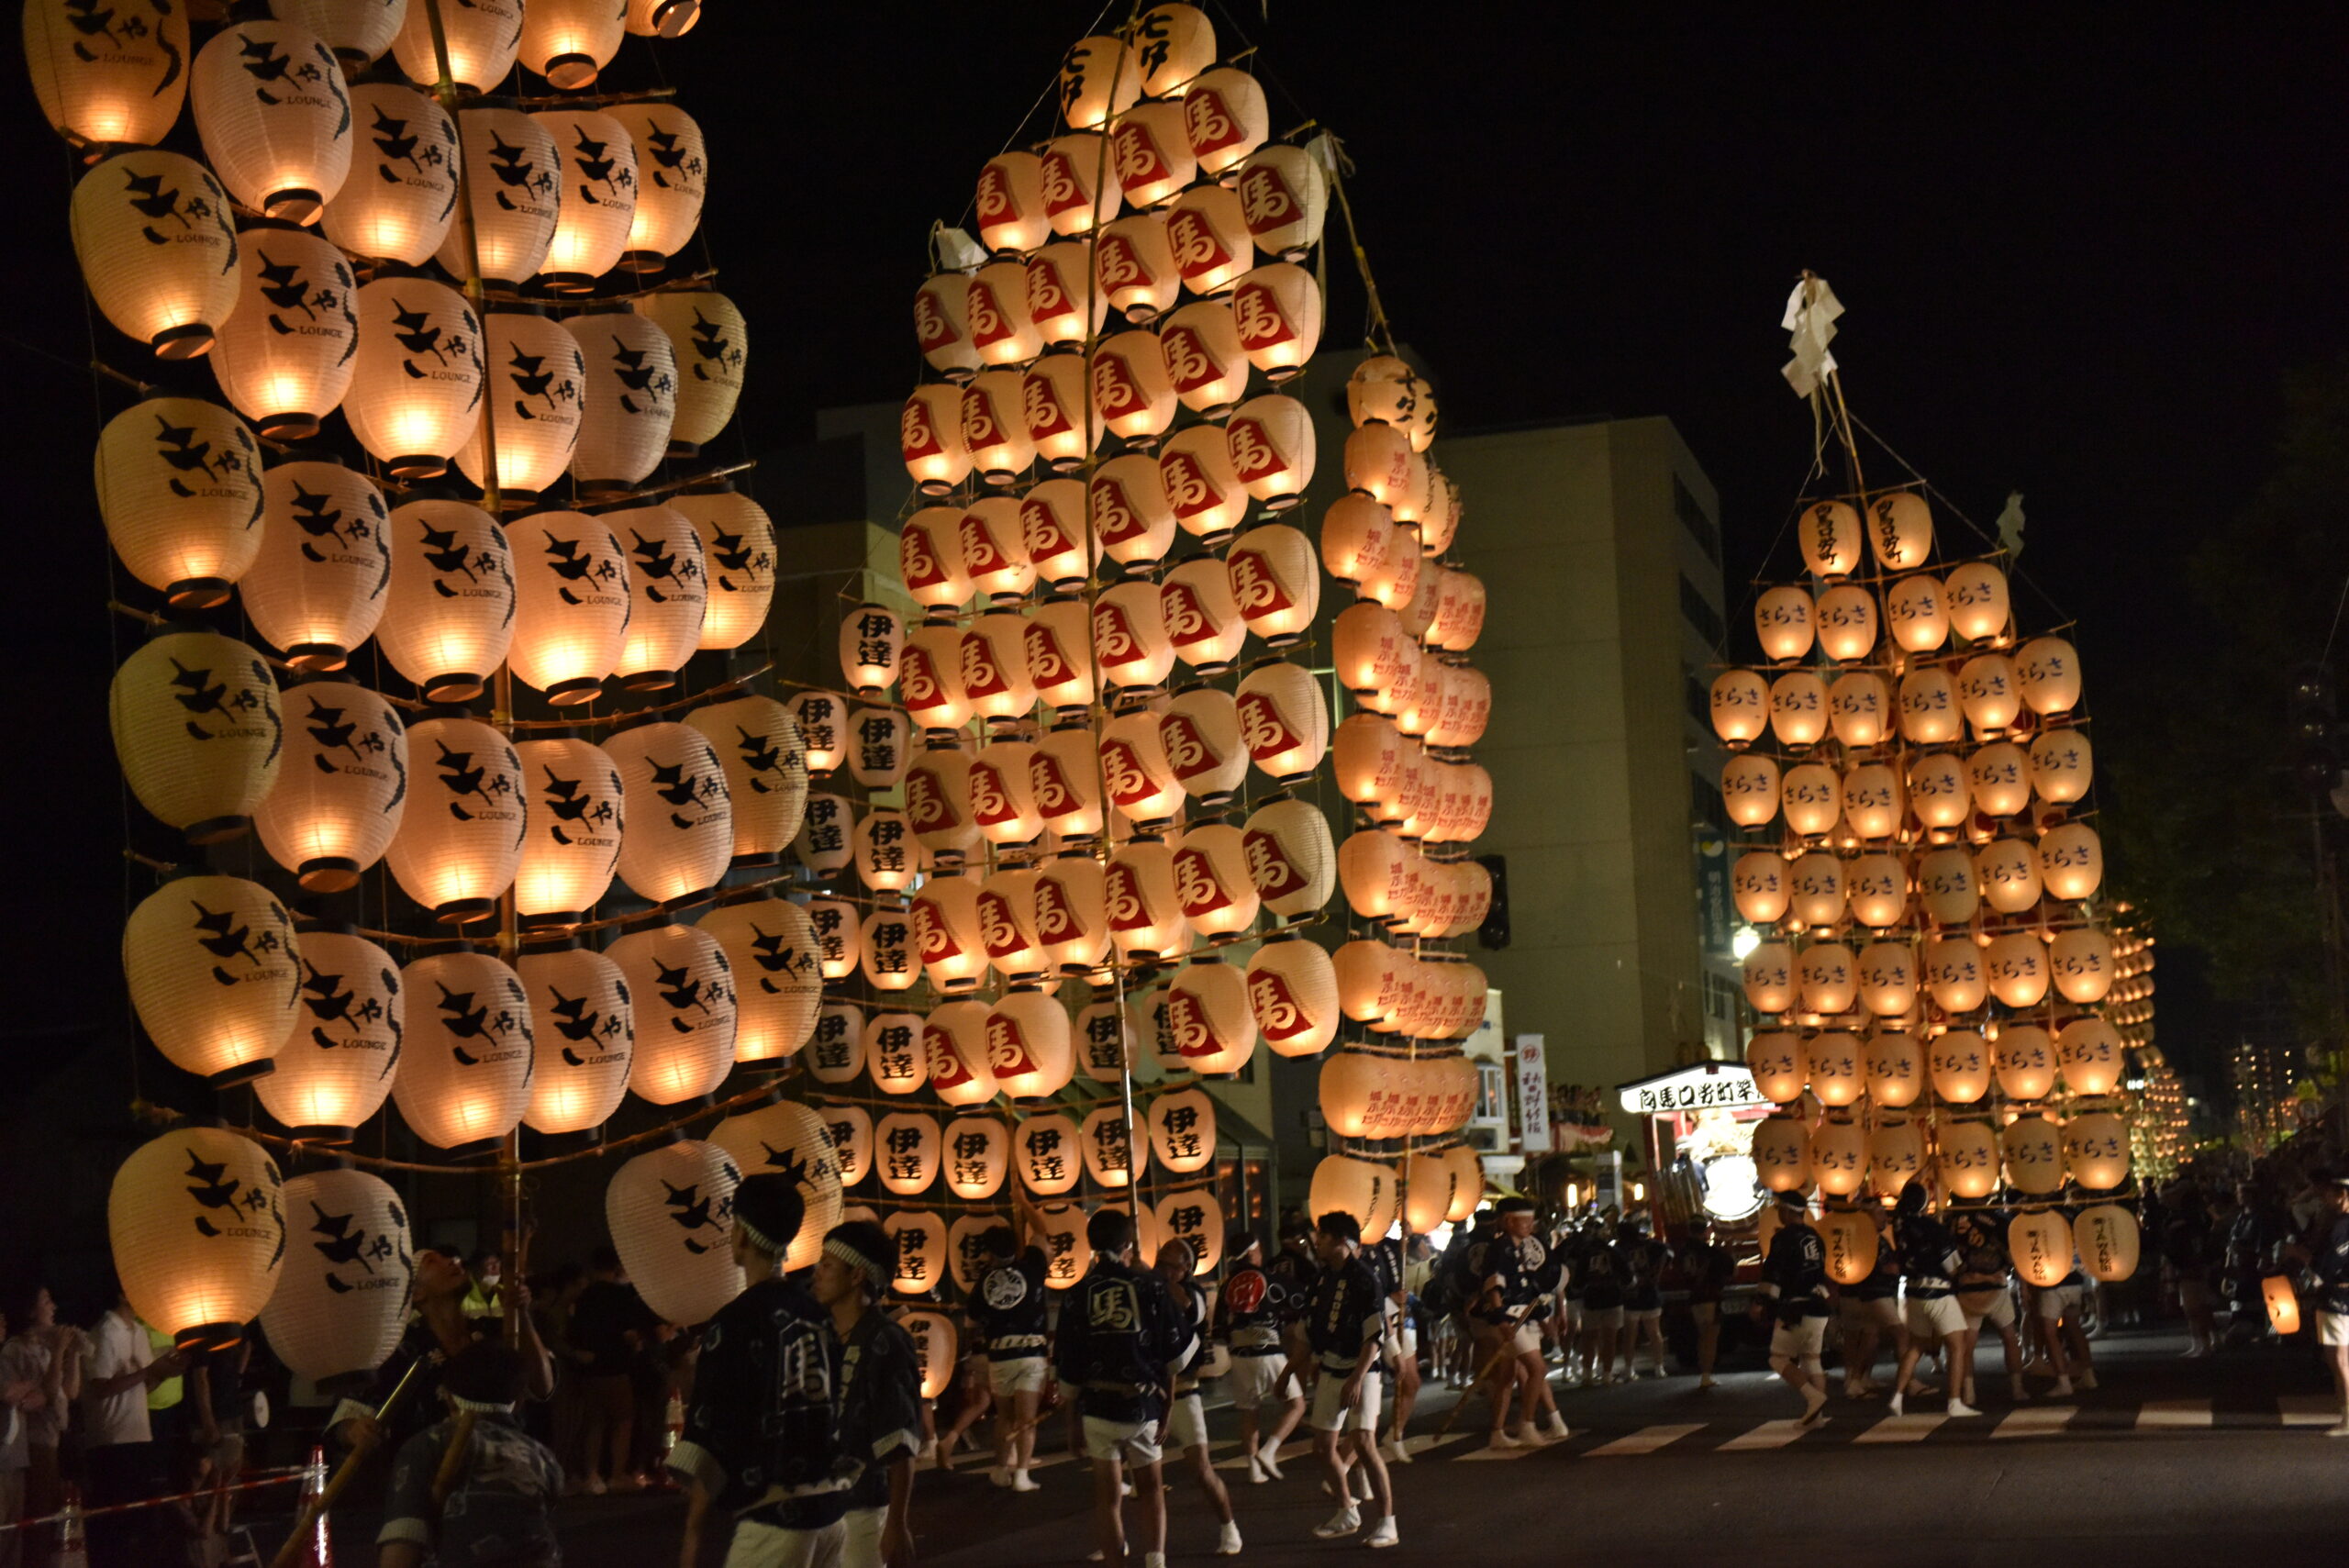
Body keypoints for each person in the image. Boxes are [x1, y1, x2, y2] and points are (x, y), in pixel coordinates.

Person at [669, 1173, 852, 1568]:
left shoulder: (736, 1321)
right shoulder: (818, 1315)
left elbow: (713, 1432)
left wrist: (694, 1534)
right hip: (833, 1508)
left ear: (740, 1234)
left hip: (777, 1514)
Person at [1053, 1208, 1187, 1568]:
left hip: (1097, 1407)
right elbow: (1172, 1355)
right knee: (1151, 1490)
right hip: (1142, 1404)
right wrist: (1168, 1408)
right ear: (1128, 1244)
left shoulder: (1078, 1294)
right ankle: (1155, 1561)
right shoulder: (1149, 1288)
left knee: (1107, 1499)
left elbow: (1069, 1364)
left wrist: (1071, 1422)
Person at [334, 1251, 556, 1461]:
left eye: (450, 1258)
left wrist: (521, 1314)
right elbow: (346, 1419)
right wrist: (356, 1430)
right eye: (432, 1261)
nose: (454, 1260)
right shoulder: (400, 1349)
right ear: (416, 1293)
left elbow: (542, 1388)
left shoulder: (491, 1333)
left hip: (499, 1467)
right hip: (425, 1471)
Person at [376, 1340, 564, 1568]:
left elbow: (403, 1542)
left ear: (447, 1396)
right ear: (519, 1401)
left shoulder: (428, 1444)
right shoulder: (543, 1457)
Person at [813, 1221, 921, 1568]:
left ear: (857, 1274)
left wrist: (896, 1523)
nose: (817, 1272)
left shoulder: (885, 1340)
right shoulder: (820, 1335)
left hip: (861, 1507)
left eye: (827, 1264)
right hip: (813, 1505)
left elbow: (900, 1440)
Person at [1303, 1211, 1397, 1550]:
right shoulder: (1323, 1276)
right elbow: (1312, 1326)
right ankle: (1347, 1510)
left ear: (1341, 1241)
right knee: (1322, 1446)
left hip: (1362, 1369)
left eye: (1323, 1237)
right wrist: (1305, 1364)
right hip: (1331, 1365)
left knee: (1364, 1443)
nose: (1317, 1242)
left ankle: (1387, 1522)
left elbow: (1374, 1334)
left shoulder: (1364, 1278)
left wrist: (1357, 1378)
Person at [81, 1276, 185, 1562]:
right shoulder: (105, 1331)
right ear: (122, 1295)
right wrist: (148, 1371)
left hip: (139, 1432)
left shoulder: (139, 1331)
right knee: (115, 1521)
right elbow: (101, 1387)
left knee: (139, 1518)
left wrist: (164, 1372)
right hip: (112, 1438)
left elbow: (143, 1385)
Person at [1153, 1240, 1241, 1556]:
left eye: (1170, 1265)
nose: (1162, 1270)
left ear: (1186, 1268)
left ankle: (1229, 1527)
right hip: (1151, 1394)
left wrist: (1160, 1280)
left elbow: (1192, 1311)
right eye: (1159, 1263)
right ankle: (1127, 1543)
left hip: (1184, 1392)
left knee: (1201, 1469)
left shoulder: (1193, 1293)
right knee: (1141, 1479)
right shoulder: (1152, 1289)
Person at [1211, 1229, 1303, 1484]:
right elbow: (1299, 1300)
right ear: (1252, 1252)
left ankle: (1253, 1468)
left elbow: (1218, 1331)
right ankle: (1269, 1450)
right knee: (1296, 1405)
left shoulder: (1226, 1284)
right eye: (1259, 1250)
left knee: (1249, 1412)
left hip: (1239, 1355)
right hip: (1268, 1348)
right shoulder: (1269, 1279)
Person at [963, 1224, 1050, 1492]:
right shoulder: (1033, 1265)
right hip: (1032, 1353)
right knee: (1026, 1420)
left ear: (989, 1252)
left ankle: (1000, 1469)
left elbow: (970, 1324)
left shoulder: (983, 1282)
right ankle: (1022, 1474)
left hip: (1000, 1354)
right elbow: (1042, 1229)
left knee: (1004, 1417)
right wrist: (1023, 1203)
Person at [565, 1248, 654, 1495]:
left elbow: (575, 1330)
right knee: (623, 1419)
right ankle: (616, 1474)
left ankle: (591, 1474)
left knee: (595, 1422)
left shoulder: (585, 1296)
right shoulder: (620, 1295)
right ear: (616, 1267)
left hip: (589, 1367)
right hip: (615, 1365)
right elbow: (629, 1333)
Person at [1480, 1197, 1568, 1448]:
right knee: (1538, 1369)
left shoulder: (1519, 1247)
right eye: (1525, 1220)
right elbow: (1493, 1285)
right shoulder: (1500, 1248)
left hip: (1523, 1316)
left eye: (1531, 1220)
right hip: (1510, 1318)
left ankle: (1497, 1433)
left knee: (1508, 1376)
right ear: (1509, 1221)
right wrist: (1501, 1320)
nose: (1530, 1225)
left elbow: (1529, 1288)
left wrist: (1542, 1317)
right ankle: (1527, 1424)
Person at [1887, 1181, 1977, 1418]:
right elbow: (1952, 1267)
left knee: (1916, 1346)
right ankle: (1954, 1402)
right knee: (1957, 1345)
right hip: (1938, 1292)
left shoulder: (1899, 1225)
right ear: (1924, 1203)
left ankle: (1898, 1396)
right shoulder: (1933, 1228)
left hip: (1913, 1291)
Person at [1752, 1192, 1831, 1428]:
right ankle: (1817, 1417)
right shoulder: (1815, 1237)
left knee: (1778, 1358)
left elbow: (1773, 1275)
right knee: (1812, 1359)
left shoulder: (1783, 1238)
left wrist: (1761, 1302)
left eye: (1779, 1209)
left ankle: (1813, 1397)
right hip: (1819, 1305)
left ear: (1786, 1211)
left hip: (1796, 1307)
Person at [2285, 1171, 2349, 1435]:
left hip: (2337, 1296)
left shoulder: (2341, 1227)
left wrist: (2299, 1254)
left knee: (2339, 1359)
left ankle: (2348, 1418)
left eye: (2329, 1195)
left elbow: (2325, 1268)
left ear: (2341, 1196)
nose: (2325, 1200)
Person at [1951, 1208, 2025, 1407]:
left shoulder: (1953, 1219)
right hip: (1996, 1286)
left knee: (1967, 1345)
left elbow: (1951, 1261)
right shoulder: (1999, 1220)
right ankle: (2017, 1388)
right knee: (2010, 1338)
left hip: (1967, 1288)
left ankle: (1969, 1392)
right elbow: (2011, 1257)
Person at [1837, 1210, 1903, 1398]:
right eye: (1880, 1214)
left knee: (1864, 1335)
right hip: (1868, 1293)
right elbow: (1877, 1266)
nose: (1885, 1218)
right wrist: (1888, 1269)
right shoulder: (1867, 1239)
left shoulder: (1864, 1238)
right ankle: (1856, 1378)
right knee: (1870, 1335)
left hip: (1859, 1292)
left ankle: (1857, 1377)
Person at [2030, 1235, 2099, 1398]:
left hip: (2053, 1284)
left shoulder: (2045, 1228)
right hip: (2075, 1281)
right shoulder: (2071, 1226)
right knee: (2075, 1329)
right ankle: (2089, 1376)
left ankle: (2064, 1382)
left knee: (2050, 1333)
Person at [2160, 1187, 2218, 1357]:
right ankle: (2206, 1341)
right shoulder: (2197, 1218)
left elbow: (2175, 1245)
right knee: (2199, 1306)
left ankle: (2202, 1343)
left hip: (2187, 1265)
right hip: (2194, 1264)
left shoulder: (2181, 1221)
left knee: (2193, 1307)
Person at [1681, 1222, 1735, 1391]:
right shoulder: (1711, 1252)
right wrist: (1727, 1251)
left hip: (1694, 1297)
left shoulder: (1684, 1251)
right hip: (1710, 1296)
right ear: (1705, 1231)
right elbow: (1730, 1271)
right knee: (1710, 1338)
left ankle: (1703, 1373)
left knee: (1702, 1336)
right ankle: (1706, 1375)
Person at [1618, 1219, 1671, 1379]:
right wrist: (1657, 1273)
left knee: (1630, 1334)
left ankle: (1629, 1368)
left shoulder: (1621, 1247)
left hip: (1631, 1293)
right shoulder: (1650, 1244)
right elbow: (1667, 1251)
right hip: (1650, 1291)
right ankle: (1659, 1367)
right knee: (1654, 1332)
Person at [1576, 1218, 1626, 1386]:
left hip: (1591, 1298)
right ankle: (1607, 1374)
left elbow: (1578, 1279)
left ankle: (1587, 1375)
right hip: (1613, 1298)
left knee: (1589, 1338)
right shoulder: (1614, 1253)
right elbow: (1626, 1275)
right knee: (1610, 1339)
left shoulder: (1585, 1254)